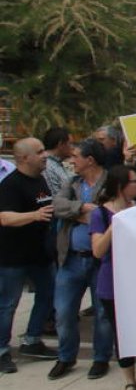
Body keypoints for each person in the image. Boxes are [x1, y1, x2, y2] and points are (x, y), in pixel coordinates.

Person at [50, 138, 114, 381]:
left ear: (90, 159)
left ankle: (101, 358)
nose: (71, 160)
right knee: (64, 312)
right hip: (71, 259)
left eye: (76, 156)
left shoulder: (110, 182)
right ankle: (66, 357)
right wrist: (83, 209)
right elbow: (57, 205)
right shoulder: (72, 182)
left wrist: (93, 213)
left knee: (102, 314)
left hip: (101, 261)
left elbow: (109, 212)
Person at [89, 165, 136, 390]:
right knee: (122, 334)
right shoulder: (100, 214)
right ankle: (130, 380)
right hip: (112, 284)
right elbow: (97, 250)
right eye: (135, 181)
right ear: (120, 186)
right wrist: (116, 224)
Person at [0, 138, 58, 374]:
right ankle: (2, 351)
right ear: (25, 158)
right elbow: (4, 218)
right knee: (7, 305)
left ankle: (32, 340)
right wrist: (34, 216)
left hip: (40, 254)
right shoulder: (10, 185)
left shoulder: (40, 179)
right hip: (13, 257)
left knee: (48, 294)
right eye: (40, 151)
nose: (45, 155)